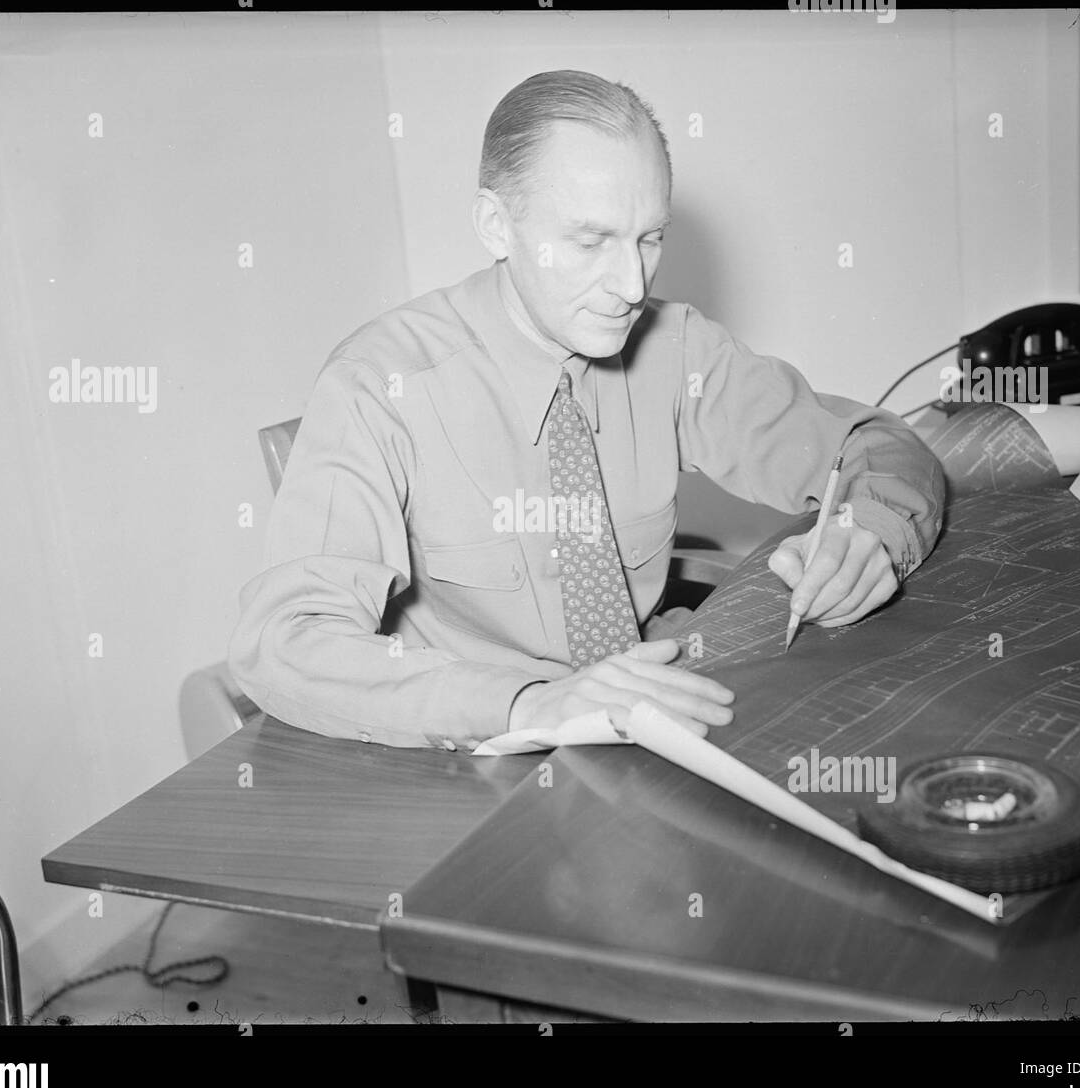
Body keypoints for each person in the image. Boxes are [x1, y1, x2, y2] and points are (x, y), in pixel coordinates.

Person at [229, 69, 944, 750]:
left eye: (649, 237)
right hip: (474, 753)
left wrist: (870, 533)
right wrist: (529, 703)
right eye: (591, 240)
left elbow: (873, 442)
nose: (631, 285)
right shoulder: (378, 384)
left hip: (647, 712)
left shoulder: (672, 348)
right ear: (496, 225)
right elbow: (286, 643)